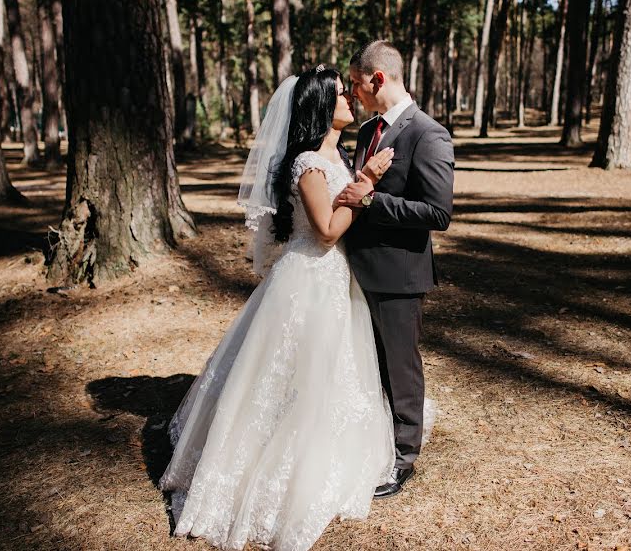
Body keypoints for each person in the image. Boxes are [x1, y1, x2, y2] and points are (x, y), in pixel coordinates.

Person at [159, 65, 398, 551]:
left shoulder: (336, 155)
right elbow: (328, 231)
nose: (349, 100)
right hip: (309, 278)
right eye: (338, 95)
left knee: (329, 373)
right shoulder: (309, 163)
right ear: (318, 107)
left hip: (335, 280)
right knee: (292, 374)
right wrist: (366, 182)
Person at [337, 40, 455, 498]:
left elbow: (437, 212)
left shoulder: (427, 134)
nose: (353, 91)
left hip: (398, 276)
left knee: (399, 367)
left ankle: (404, 457)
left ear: (377, 79)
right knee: (370, 364)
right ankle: (377, 440)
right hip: (357, 270)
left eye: (356, 82)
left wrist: (369, 199)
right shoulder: (369, 131)